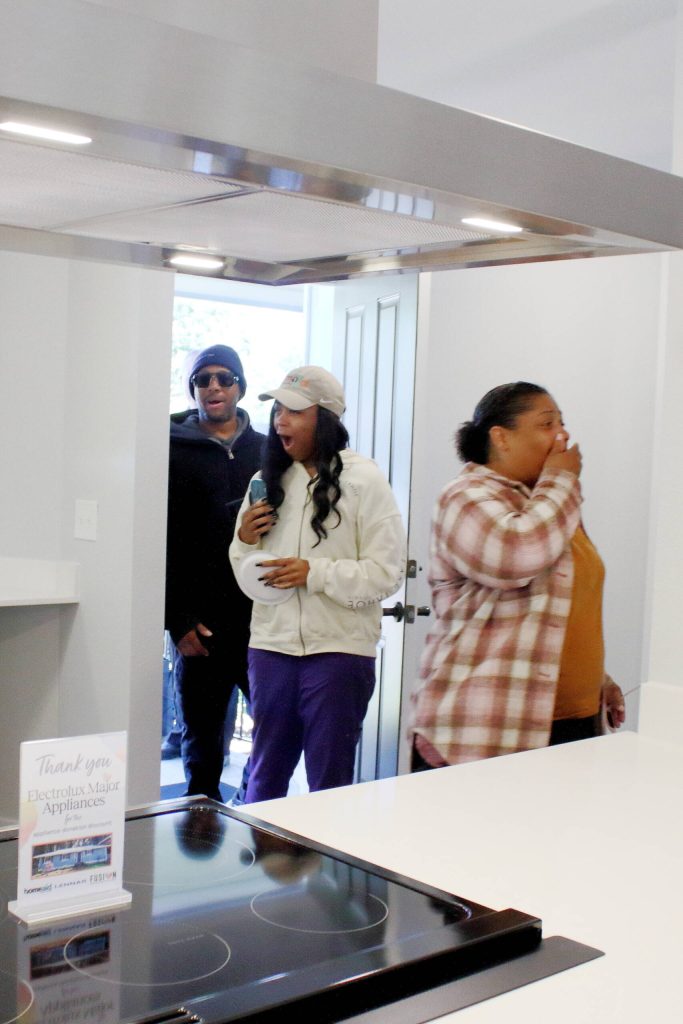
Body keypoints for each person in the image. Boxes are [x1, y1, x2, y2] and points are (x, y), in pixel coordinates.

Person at [409, 381, 625, 770]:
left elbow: (555, 609)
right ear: (501, 437)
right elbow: (516, 556)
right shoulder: (465, 495)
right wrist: (561, 481)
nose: (562, 436)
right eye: (546, 424)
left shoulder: (547, 504)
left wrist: (596, 679)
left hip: (570, 724)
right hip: (483, 730)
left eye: (562, 423)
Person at [229, 366, 406, 803]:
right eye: (277, 410)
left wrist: (315, 572)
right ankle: (262, 866)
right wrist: (244, 541)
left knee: (329, 782)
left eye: (294, 411)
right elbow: (243, 567)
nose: (279, 421)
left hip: (340, 652)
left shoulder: (364, 479)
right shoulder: (264, 481)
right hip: (271, 647)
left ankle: (327, 872)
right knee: (265, 774)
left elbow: (388, 571)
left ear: (324, 418)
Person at [165, 344, 265, 800]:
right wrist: (178, 621)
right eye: (203, 380)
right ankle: (197, 831)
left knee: (273, 726)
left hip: (261, 620)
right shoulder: (168, 449)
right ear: (193, 390)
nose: (214, 387)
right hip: (199, 624)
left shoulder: (269, 450)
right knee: (203, 742)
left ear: (240, 386)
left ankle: (254, 809)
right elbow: (160, 542)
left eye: (224, 378)